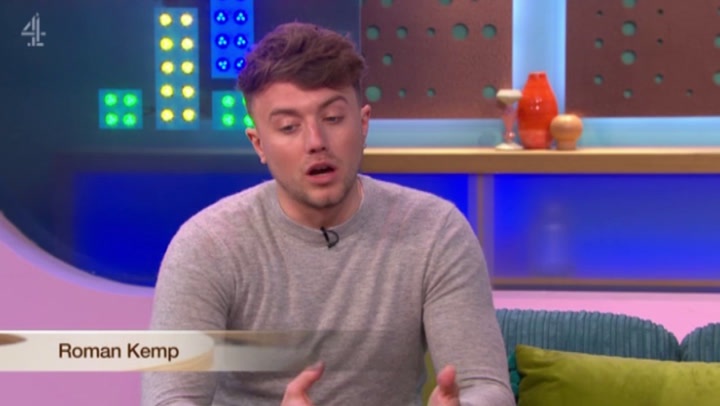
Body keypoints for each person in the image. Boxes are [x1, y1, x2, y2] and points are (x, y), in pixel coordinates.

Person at [142, 22, 514, 406]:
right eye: (289, 127)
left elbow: (487, 386)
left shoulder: (435, 231)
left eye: (333, 118)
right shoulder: (208, 244)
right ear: (259, 143)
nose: (316, 142)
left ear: (363, 124)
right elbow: (169, 398)